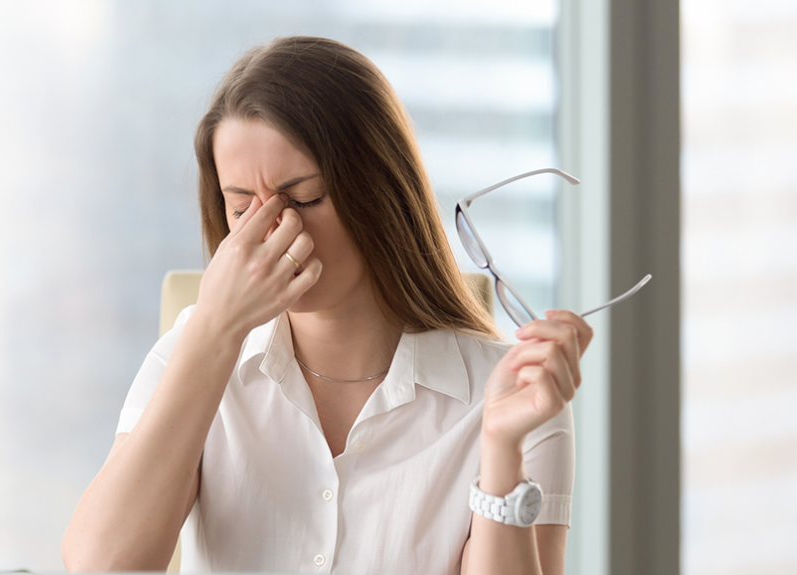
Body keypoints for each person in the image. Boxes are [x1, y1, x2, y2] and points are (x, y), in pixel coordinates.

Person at [62, 36, 591, 575]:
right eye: (242, 206)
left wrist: (501, 449)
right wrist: (214, 329)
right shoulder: (192, 356)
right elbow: (101, 566)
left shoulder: (509, 398)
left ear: (379, 191)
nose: (274, 229)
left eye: (306, 199)